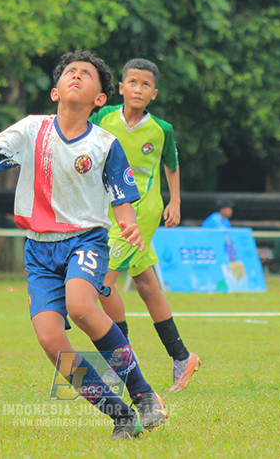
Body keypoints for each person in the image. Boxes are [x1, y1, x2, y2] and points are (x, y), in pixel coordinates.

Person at [0, 50, 168, 439]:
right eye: (70, 72)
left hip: (86, 239)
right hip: (39, 250)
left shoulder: (105, 144)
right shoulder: (31, 130)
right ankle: (120, 415)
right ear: (55, 91)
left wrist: (129, 226)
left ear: (100, 99)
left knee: (82, 306)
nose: (77, 76)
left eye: (87, 74)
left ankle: (144, 394)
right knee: (51, 340)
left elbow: (122, 203)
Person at [89, 58, 201, 393]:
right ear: (121, 88)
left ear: (154, 93)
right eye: (133, 83)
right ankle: (182, 356)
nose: (139, 89)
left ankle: (118, 361)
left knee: (101, 283)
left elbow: (172, 165)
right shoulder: (103, 117)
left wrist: (175, 201)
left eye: (146, 85)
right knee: (146, 285)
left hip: (141, 213)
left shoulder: (161, 129)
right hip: (107, 209)